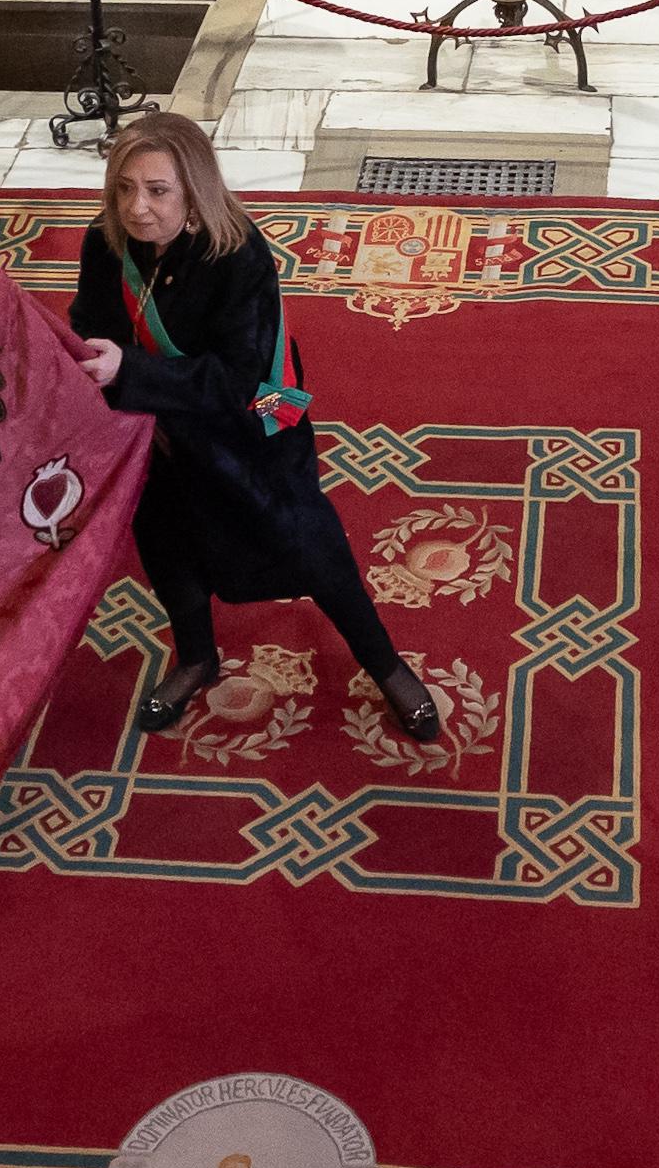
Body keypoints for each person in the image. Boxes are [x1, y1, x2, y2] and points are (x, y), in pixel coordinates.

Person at [68, 109, 440, 744]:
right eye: (125, 188)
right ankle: (195, 658)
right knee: (170, 549)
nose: (138, 208)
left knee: (311, 546)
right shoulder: (105, 244)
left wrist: (130, 372)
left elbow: (241, 379)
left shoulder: (237, 253)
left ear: (194, 190)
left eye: (158, 191)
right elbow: (89, 324)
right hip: (157, 435)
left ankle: (386, 666)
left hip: (256, 427)